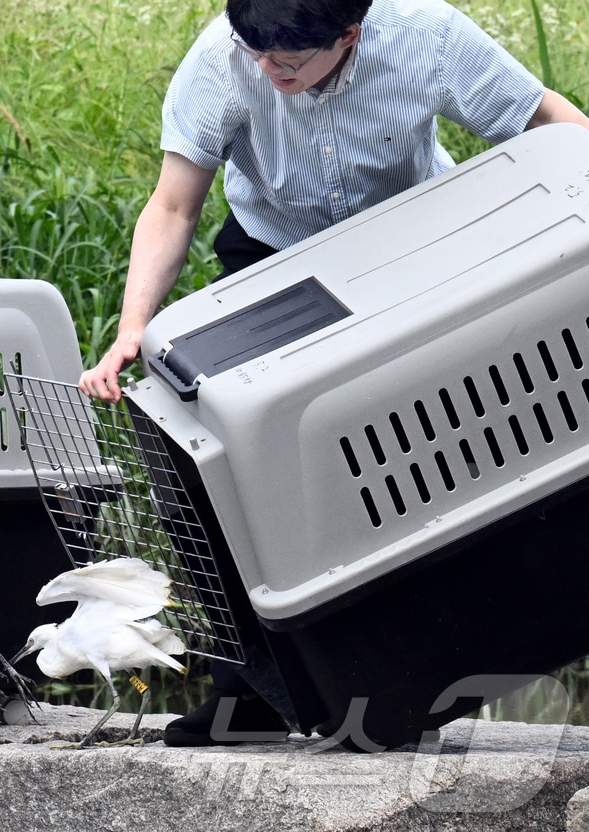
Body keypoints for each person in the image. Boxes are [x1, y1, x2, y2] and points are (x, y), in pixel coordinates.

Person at [79, 0, 589, 747]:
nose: (267, 71)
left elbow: (550, 123)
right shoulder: (222, 62)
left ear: (348, 37)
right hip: (273, 267)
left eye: (287, 63)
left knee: (419, 465)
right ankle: (246, 695)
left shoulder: (428, 39)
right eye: (256, 54)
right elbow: (172, 206)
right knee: (217, 467)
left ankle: (402, 683)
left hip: (407, 254)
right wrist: (131, 330)